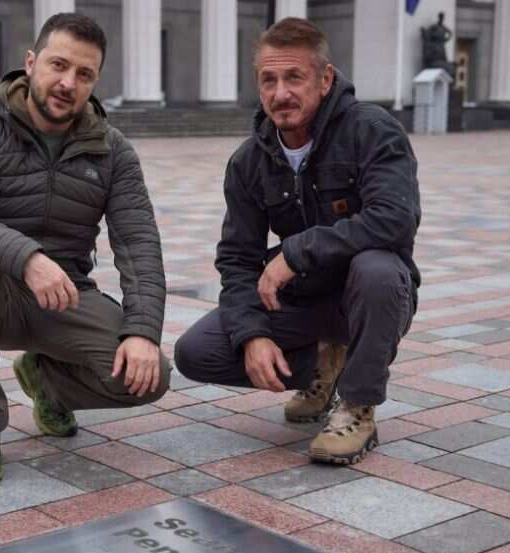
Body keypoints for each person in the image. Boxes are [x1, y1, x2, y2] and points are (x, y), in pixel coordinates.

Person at [0, 13, 170, 485]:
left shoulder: (112, 150)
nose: (68, 83)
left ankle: (48, 383)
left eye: (84, 74)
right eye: (58, 65)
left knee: (150, 376)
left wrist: (143, 330)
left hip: (69, 297)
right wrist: (27, 258)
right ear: (31, 62)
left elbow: (138, 242)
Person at [174, 18, 420, 466]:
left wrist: (296, 251)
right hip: (305, 301)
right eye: (269, 80)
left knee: (378, 269)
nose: (280, 93)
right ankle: (322, 366)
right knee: (197, 352)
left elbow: (395, 218)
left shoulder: (371, 130)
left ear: (325, 79)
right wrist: (251, 336)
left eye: (294, 77)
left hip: (368, 299)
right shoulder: (250, 161)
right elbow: (237, 259)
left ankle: (357, 405)